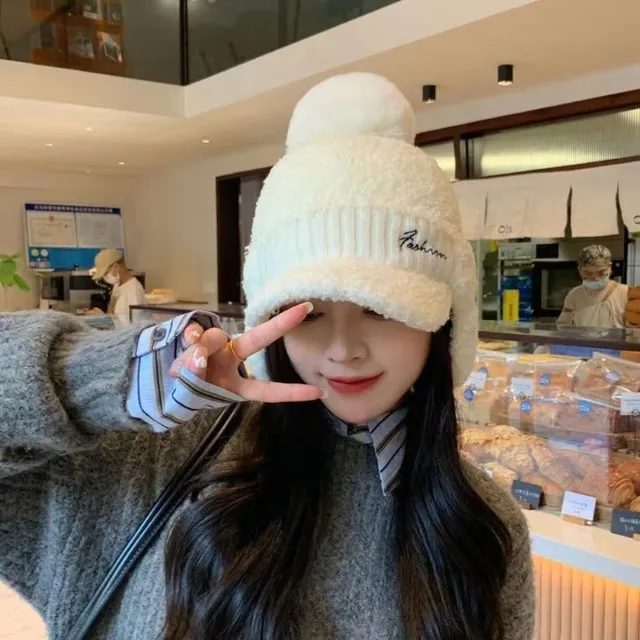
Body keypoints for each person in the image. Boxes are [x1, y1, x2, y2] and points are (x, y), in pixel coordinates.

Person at [0, 73, 534, 639]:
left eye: (382, 309)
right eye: (309, 313)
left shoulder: (482, 525)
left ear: (444, 319)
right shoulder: (161, 457)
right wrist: (115, 378)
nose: (344, 349)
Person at [557, 244, 628, 328]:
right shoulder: (574, 296)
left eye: (601, 273)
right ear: (579, 270)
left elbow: (634, 331)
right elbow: (563, 328)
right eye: (588, 273)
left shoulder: (626, 293)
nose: (596, 279)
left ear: (609, 267)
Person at [86, 248, 147, 325]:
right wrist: (101, 316)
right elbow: (114, 316)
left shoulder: (134, 290)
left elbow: (132, 328)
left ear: (116, 267)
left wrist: (104, 319)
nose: (104, 277)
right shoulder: (117, 286)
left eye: (106, 273)